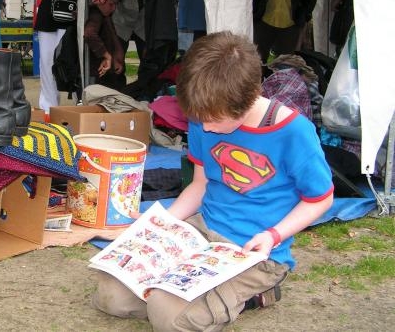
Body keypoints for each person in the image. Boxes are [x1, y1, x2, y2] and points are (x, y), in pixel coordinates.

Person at [92, 32, 334, 331]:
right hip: (201, 232)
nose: (205, 128)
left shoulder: (294, 132)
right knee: (111, 296)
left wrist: (273, 236)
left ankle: (256, 293)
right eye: (199, 120)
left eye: (214, 121)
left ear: (247, 101)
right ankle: (184, 295)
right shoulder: (205, 114)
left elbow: (320, 198)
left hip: (254, 250)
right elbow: (199, 184)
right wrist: (160, 224)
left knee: (170, 319)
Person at [83, 0, 126, 91]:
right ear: (101, 0)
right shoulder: (96, 15)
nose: (113, 8)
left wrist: (114, 58)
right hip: (97, 72)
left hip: (103, 71)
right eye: (111, 4)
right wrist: (107, 56)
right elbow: (89, 33)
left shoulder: (104, 15)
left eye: (115, 5)